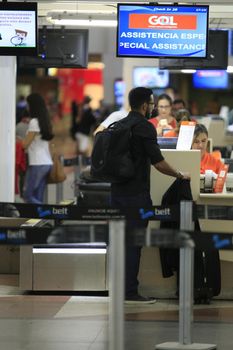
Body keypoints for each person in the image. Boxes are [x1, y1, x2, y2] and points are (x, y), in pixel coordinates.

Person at [111, 87, 190, 304]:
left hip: (116, 193)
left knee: (120, 243)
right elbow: (158, 162)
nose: (154, 108)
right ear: (145, 105)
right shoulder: (144, 127)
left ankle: (119, 289)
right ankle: (129, 292)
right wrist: (179, 174)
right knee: (134, 244)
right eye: (152, 104)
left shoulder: (119, 124)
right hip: (135, 195)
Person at [21, 93, 54, 204]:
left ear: (32, 105)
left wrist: (17, 140)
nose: (27, 107)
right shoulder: (45, 121)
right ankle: (42, 218)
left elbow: (25, 144)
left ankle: (48, 214)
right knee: (38, 196)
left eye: (28, 104)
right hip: (47, 163)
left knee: (28, 196)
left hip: (37, 163)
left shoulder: (34, 122)